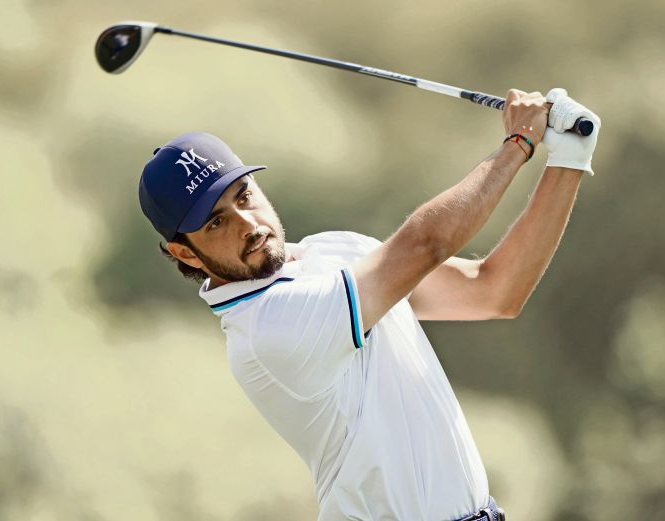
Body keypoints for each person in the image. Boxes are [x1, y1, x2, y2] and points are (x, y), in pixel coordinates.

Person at [138, 87, 600, 521]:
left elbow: (494, 290)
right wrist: (518, 143)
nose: (247, 223)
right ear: (183, 252)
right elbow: (424, 245)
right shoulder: (266, 330)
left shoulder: (336, 250)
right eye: (216, 222)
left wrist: (569, 158)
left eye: (244, 196)